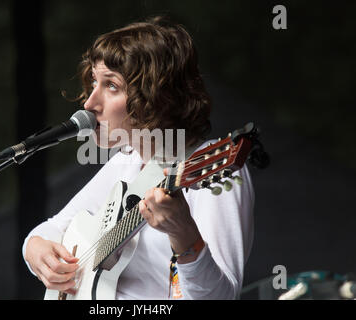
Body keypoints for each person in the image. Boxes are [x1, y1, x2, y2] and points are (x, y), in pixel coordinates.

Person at [22, 16, 254, 300]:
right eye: (94, 82)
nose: (89, 103)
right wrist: (34, 248)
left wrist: (184, 234)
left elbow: (221, 298)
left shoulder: (213, 170)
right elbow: (56, 226)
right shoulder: (127, 161)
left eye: (111, 86)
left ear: (156, 96)